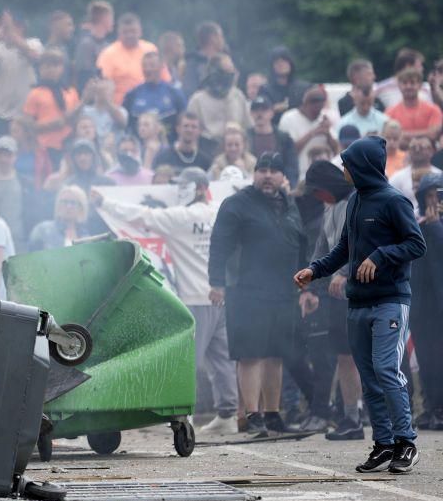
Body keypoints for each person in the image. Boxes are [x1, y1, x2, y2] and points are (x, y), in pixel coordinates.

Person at [294, 136, 426, 473]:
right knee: (368, 375)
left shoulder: (395, 202)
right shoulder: (354, 203)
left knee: (386, 368)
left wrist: (381, 256)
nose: (343, 170)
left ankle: (405, 442)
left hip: (390, 301)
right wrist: (316, 269)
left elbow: (415, 243)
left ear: (363, 166)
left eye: (348, 164)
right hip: (358, 302)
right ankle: (383, 444)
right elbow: (344, 248)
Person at [96, 167, 238, 433]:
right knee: (222, 360)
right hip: (223, 295)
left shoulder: (180, 217)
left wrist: (104, 202)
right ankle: (228, 416)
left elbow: (143, 215)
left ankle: (186, 416)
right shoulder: (220, 211)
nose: (178, 189)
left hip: (197, 296)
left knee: (189, 360)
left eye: (182, 185)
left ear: (197, 187)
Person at [210, 152, 306, 437]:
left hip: (283, 289)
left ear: (282, 177)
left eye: (273, 170)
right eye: (262, 169)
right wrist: (217, 282)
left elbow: (301, 243)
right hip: (245, 289)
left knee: (275, 353)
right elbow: (219, 245)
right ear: (254, 174)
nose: (267, 175)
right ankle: (252, 417)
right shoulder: (237, 204)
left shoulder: (289, 204)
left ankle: (273, 415)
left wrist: (306, 284)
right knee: (250, 354)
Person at [299, 161, 365, 440]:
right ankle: (352, 418)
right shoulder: (330, 209)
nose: (316, 197)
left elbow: (365, 243)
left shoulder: (358, 202)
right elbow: (322, 250)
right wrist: (310, 287)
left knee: (366, 356)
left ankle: (370, 414)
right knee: (344, 354)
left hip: (364, 289)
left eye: (318, 191)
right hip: (339, 296)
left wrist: (345, 272)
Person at [411, 173, 443, 430]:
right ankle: (433, 407)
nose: (434, 201)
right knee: (426, 359)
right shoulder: (416, 225)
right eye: (429, 196)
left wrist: (436, 227)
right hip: (423, 305)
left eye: (438, 195)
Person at [24, 47, 80, 173]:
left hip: (68, 145)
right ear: (40, 69)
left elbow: (76, 119)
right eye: (47, 66)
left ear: (62, 68)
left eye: (55, 65)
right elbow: (28, 125)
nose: (51, 69)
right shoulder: (35, 93)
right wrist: (51, 125)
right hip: (46, 147)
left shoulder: (70, 92)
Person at [0, 11, 43, 138]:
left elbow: (35, 57)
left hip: (26, 115)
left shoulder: (34, 43)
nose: (5, 31)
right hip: (1, 114)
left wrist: (12, 36)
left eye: (9, 27)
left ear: (21, 27)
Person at [96, 13, 168, 105]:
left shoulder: (151, 49)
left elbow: (165, 78)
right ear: (118, 33)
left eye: (133, 31)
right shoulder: (108, 54)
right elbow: (103, 86)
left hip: (153, 104)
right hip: (121, 108)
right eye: (125, 32)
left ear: (140, 31)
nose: (129, 35)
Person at [186, 53, 252, 143]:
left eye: (232, 72)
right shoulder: (197, 101)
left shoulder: (238, 96)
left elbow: (248, 126)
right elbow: (191, 131)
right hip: (208, 150)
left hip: (236, 149)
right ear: (215, 74)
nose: (232, 75)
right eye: (227, 72)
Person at [122, 51, 187, 137]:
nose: (148, 69)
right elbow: (126, 125)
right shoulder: (133, 94)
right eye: (145, 66)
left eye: (152, 65)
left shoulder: (174, 93)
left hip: (168, 146)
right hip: (140, 146)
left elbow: (183, 122)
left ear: (161, 67)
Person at [279, 86, 338, 178]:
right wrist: (313, 133)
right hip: (299, 174)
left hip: (324, 173)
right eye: (315, 110)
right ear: (306, 104)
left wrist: (327, 134)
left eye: (320, 108)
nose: (318, 113)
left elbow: (337, 150)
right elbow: (288, 151)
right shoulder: (289, 118)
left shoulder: (323, 117)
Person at [0, 136, 34, 251]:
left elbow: (32, 211)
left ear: (15, 156)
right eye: (1, 154)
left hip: (20, 241)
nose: (4, 159)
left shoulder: (25, 183)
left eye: (8, 155)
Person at [248, 95, 299, 186]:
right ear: (251, 113)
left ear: (272, 113)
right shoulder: (244, 137)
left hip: (279, 187)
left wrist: (289, 187)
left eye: (264, 110)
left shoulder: (284, 138)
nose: (260, 114)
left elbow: (292, 167)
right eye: (256, 110)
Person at [385, 68, 443, 141]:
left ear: (420, 85)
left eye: (412, 83)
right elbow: (388, 137)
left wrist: (403, 134)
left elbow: (433, 135)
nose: (408, 86)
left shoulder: (433, 110)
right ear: (399, 85)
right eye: (405, 83)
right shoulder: (390, 112)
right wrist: (425, 133)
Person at [28, 185, 90, 251]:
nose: (68, 206)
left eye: (73, 202)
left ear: (81, 208)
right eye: (65, 201)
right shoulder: (42, 230)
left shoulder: (86, 237)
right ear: (58, 205)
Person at [389, 136, 441, 212]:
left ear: (431, 150)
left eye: (422, 147)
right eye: (413, 148)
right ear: (408, 151)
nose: (417, 150)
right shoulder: (397, 178)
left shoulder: (440, 176)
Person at [72, 0, 114, 90]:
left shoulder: (107, 45)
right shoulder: (86, 45)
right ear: (104, 18)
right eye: (111, 18)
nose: (113, 22)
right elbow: (84, 77)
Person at [79, 77, 128, 150]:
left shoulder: (121, 111)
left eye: (106, 90)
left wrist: (107, 102)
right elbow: (71, 122)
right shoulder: (85, 111)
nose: (102, 93)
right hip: (91, 152)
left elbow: (122, 123)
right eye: (100, 91)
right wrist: (85, 99)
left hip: (115, 152)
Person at [265, 46, 310, 122]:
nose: (281, 64)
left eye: (284, 61)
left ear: (290, 63)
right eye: (277, 62)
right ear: (272, 66)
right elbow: (260, 111)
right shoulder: (265, 90)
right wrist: (273, 109)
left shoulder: (304, 88)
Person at [182, 21, 226, 98]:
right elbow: (189, 92)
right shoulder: (193, 64)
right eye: (221, 36)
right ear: (213, 38)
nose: (223, 40)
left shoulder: (224, 63)